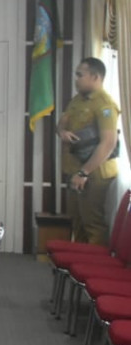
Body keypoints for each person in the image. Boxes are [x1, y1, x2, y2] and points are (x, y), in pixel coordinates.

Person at [59, 57, 121, 244]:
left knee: (92, 224)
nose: (76, 78)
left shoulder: (104, 104)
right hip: (75, 171)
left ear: (95, 77)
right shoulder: (77, 100)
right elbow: (63, 121)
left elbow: (108, 143)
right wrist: (62, 131)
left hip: (93, 174)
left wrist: (83, 172)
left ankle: (95, 269)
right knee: (77, 223)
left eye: (80, 75)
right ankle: (78, 268)